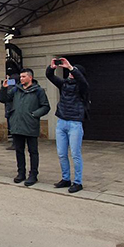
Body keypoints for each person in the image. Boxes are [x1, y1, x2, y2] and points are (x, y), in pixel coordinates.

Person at [0, 68, 50, 186]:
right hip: (17, 125)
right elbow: (3, 99)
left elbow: (46, 106)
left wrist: (34, 114)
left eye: (23, 77)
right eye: (20, 77)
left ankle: (33, 175)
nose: (21, 79)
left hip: (31, 125)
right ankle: (21, 173)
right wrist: (4, 88)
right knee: (19, 151)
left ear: (30, 77)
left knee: (33, 151)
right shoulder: (16, 89)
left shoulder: (38, 91)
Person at [46, 58, 89, 193]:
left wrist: (71, 67)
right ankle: (65, 179)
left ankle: (78, 182)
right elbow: (50, 76)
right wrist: (52, 67)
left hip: (75, 123)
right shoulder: (64, 84)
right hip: (61, 122)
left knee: (75, 154)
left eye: (73, 72)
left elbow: (82, 81)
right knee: (61, 153)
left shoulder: (83, 87)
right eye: (69, 71)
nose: (70, 74)